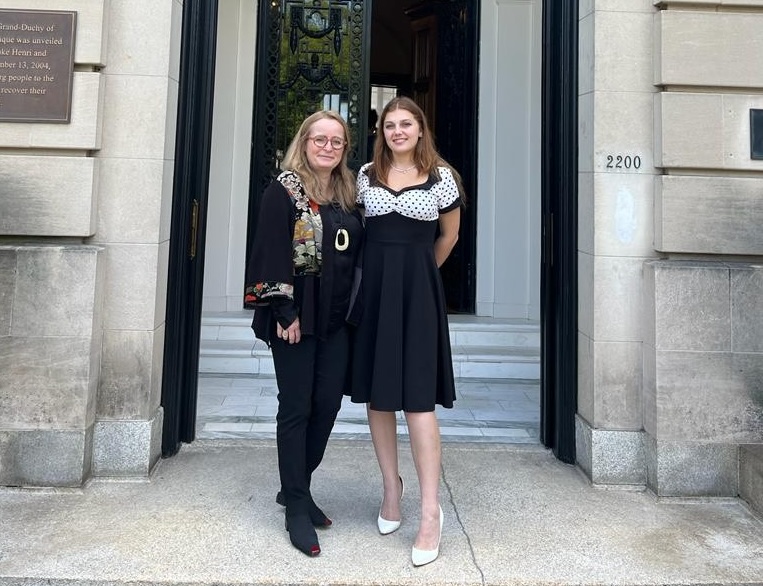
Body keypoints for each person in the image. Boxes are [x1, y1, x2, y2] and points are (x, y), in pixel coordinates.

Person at [244, 110, 364, 557]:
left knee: (328, 405)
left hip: (336, 319)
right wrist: (284, 310)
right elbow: (269, 251)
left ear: (345, 148)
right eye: (320, 139)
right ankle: (296, 503)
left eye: (337, 141)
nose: (328, 147)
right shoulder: (285, 190)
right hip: (295, 318)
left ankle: (296, 484)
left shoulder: (348, 193)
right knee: (296, 408)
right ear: (305, 141)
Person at [350, 96, 463, 566]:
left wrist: (422, 279)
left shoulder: (442, 178)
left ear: (420, 129)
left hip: (418, 297)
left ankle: (430, 512)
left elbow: (449, 236)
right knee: (379, 397)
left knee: (418, 402)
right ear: (383, 132)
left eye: (406, 124)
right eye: (390, 125)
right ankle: (390, 490)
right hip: (374, 294)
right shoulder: (364, 175)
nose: (397, 131)